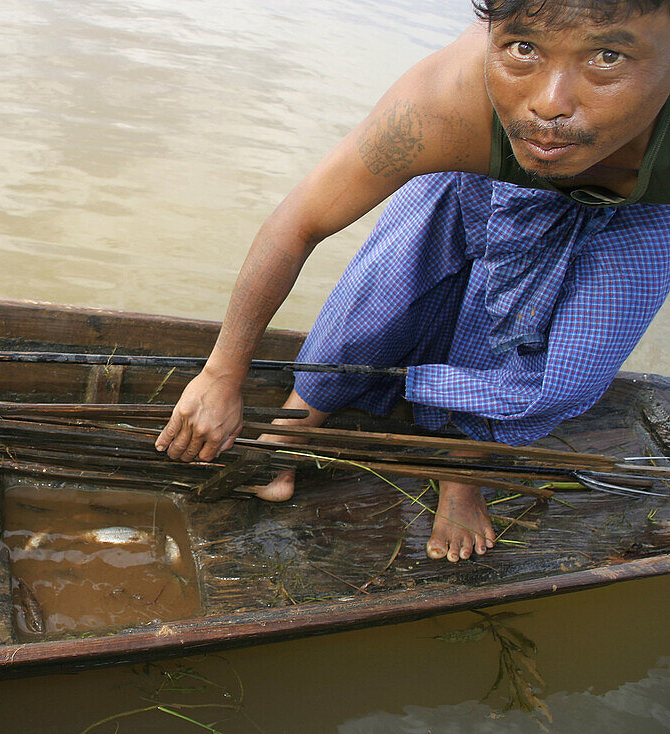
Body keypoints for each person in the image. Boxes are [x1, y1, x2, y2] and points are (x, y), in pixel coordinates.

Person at [154, 0, 670, 563]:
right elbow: (299, 221)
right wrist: (221, 374)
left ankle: (458, 463)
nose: (550, 103)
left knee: (565, 378)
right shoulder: (448, 106)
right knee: (381, 296)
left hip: (644, 206)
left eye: (607, 56)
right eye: (523, 49)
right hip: (480, 162)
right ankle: (292, 432)